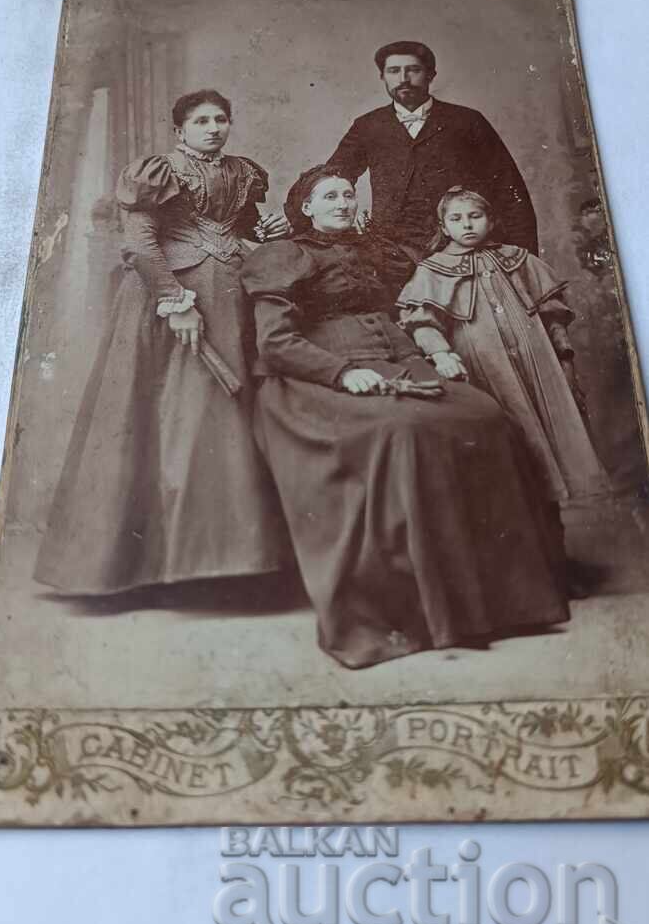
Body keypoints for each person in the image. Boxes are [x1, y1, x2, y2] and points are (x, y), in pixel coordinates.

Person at [240, 164, 569, 670]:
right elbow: (276, 342)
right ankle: (419, 613)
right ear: (305, 206)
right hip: (311, 382)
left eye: (348, 194)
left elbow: (391, 323)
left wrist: (426, 361)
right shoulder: (283, 256)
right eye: (329, 196)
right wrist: (341, 372)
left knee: (482, 415)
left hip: (391, 362)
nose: (343, 204)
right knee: (405, 432)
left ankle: (506, 602)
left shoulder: (367, 253)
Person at [35, 89, 290, 594]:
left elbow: (241, 232)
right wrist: (175, 303)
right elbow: (141, 243)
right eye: (201, 121)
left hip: (231, 297)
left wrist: (269, 230)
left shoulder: (242, 172)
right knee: (170, 415)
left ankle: (226, 561)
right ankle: (152, 566)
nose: (213, 128)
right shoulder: (157, 171)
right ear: (180, 130)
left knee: (226, 418)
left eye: (221, 118)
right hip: (167, 295)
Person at [397, 186, 610, 507]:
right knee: (509, 417)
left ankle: (578, 489)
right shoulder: (432, 270)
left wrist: (565, 358)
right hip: (482, 359)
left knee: (554, 409)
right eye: (456, 219)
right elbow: (422, 321)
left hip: (537, 354)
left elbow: (553, 316)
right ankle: (530, 498)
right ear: (443, 227)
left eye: (475, 216)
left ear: (491, 220)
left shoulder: (519, 258)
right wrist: (440, 351)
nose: (467, 225)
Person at [327, 40, 538, 276]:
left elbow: (509, 189)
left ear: (431, 75)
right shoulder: (368, 126)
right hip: (392, 255)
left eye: (413, 70)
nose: (403, 78)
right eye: (394, 71)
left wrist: (523, 260)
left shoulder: (467, 121)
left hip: (464, 248)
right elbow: (331, 177)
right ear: (382, 77)